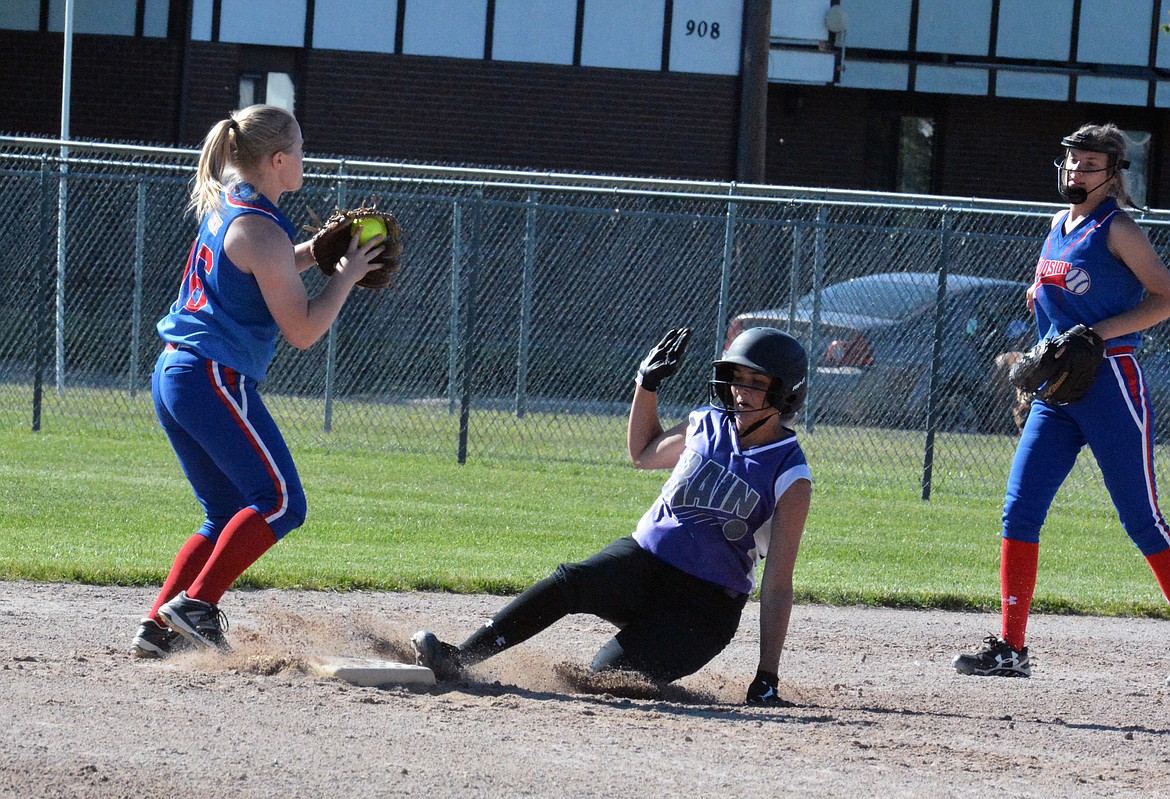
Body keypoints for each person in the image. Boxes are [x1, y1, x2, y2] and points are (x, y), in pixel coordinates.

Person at [411, 326, 813, 704]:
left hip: (703, 610)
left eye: (757, 384)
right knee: (570, 581)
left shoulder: (790, 473)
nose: (741, 392)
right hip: (641, 564)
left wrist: (767, 677)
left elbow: (777, 584)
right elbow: (643, 453)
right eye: (736, 377)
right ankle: (458, 658)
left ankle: (653, 645)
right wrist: (647, 385)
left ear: (786, 395)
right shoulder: (705, 424)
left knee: (605, 677)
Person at [129, 104, 386, 657]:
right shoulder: (261, 230)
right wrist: (345, 278)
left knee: (225, 512)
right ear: (276, 160)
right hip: (212, 378)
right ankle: (195, 608)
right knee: (281, 500)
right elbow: (303, 329)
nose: (303, 159)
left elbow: (264, 265)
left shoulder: (233, 206)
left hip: (177, 373)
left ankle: (160, 625)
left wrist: (315, 255)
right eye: (298, 149)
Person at [954, 123, 1170, 678]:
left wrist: (1100, 334)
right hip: (1058, 393)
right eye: (1072, 162)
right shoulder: (1058, 224)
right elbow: (1055, 295)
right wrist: (1039, 305)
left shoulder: (1118, 228)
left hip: (1110, 383)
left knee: (1142, 520)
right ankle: (1011, 646)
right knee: (1020, 510)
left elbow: (1164, 297)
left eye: (1090, 165)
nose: (1077, 171)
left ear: (1113, 173)